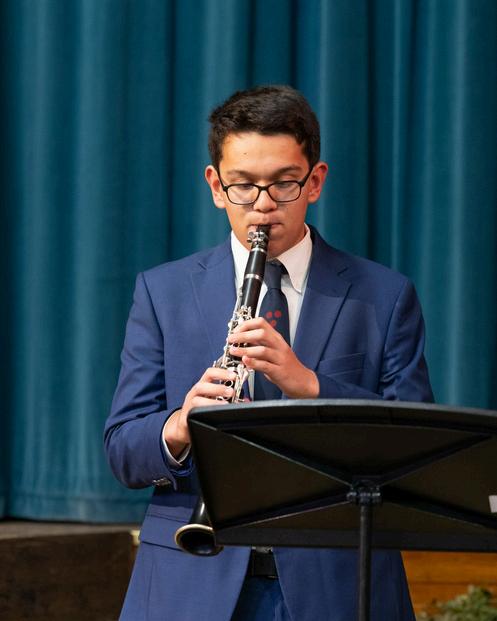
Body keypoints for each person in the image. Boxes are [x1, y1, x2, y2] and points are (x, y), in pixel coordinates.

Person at [104, 85, 433, 621]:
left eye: (283, 183)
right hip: (191, 582)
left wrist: (312, 386)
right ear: (216, 186)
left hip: (336, 583)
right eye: (243, 185)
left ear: (315, 182)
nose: (262, 204)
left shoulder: (384, 296)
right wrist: (180, 425)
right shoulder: (163, 292)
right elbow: (122, 450)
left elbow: (415, 454)